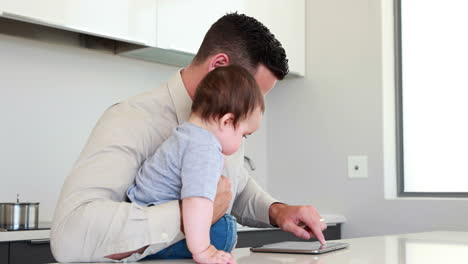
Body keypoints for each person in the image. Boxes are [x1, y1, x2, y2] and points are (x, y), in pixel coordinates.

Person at [51, 13, 327, 262]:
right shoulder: (131, 118)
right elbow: (69, 237)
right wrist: (190, 214)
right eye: (251, 95)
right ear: (219, 67)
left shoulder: (224, 122)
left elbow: (234, 186)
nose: (251, 110)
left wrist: (277, 211)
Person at [128, 65, 264, 264]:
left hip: (139, 218)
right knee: (225, 228)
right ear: (227, 121)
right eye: (244, 135)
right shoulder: (205, 148)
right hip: (153, 230)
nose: (242, 141)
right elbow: (196, 201)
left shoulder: (186, 133)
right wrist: (203, 250)